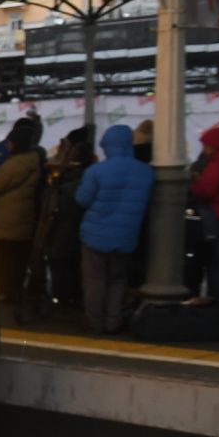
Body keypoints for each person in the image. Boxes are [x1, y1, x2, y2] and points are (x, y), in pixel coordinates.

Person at [76, 123, 155, 333]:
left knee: (94, 280)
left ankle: (94, 322)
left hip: (95, 235)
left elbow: (82, 199)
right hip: (126, 236)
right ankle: (113, 322)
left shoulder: (96, 171)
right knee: (118, 280)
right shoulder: (146, 172)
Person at [0, 115, 44, 306]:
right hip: (25, 218)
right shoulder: (36, 160)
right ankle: (15, 291)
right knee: (18, 261)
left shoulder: (14, 164)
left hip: (8, 219)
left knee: (4, 260)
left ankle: (3, 292)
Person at [37, 127, 94, 308]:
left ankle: (61, 298)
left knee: (59, 262)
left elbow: (62, 205)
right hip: (82, 230)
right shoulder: (90, 175)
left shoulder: (66, 182)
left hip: (63, 226)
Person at [192, 120, 219, 307]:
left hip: (217, 216)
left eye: (205, 145)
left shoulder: (217, 164)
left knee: (215, 262)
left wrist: (195, 182)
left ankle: (218, 302)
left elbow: (206, 190)